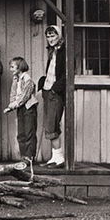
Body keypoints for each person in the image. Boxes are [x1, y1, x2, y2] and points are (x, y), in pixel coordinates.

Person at [39, 25, 67, 167]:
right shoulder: (53, 51)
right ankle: (54, 157)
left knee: (52, 125)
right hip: (48, 91)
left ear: (59, 36)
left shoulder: (64, 52)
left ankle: (59, 158)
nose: (50, 39)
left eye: (53, 36)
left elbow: (66, 74)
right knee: (49, 126)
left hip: (55, 93)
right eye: (48, 36)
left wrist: (55, 89)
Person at [5, 55, 39, 162]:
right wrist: (11, 105)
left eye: (12, 67)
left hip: (29, 107)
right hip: (21, 108)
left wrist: (13, 105)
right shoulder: (16, 79)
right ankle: (23, 156)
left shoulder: (27, 79)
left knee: (29, 132)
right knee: (21, 133)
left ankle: (29, 157)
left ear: (19, 67)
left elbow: (25, 96)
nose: (11, 69)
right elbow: (13, 93)